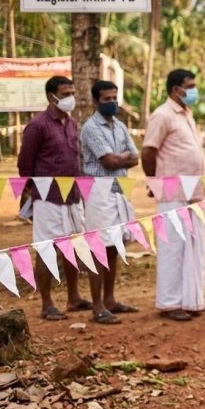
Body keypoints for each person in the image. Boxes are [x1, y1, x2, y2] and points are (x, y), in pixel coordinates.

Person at [17, 76, 89, 320]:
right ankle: (47, 303)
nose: (70, 98)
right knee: (46, 249)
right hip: (47, 197)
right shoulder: (37, 126)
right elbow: (25, 164)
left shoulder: (71, 123)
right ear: (51, 97)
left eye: (72, 92)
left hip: (73, 195)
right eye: (65, 93)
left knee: (73, 246)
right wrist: (35, 188)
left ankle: (73, 297)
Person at [141, 69, 205, 322]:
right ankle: (169, 303)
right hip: (172, 191)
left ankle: (190, 299)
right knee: (172, 248)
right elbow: (148, 151)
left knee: (193, 247)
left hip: (193, 191)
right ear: (176, 89)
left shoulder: (186, 114)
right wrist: (154, 181)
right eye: (190, 86)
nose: (194, 90)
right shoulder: (162, 115)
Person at [80, 80, 140, 325]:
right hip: (98, 193)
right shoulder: (91, 128)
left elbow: (134, 158)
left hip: (119, 191)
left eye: (114, 98)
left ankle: (110, 299)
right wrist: (122, 158)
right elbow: (109, 162)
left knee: (115, 246)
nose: (112, 103)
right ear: (96, 101)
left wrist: (121, 158)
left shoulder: (120, 126)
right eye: (107, 99)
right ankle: (97, 306)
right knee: (98, 247)